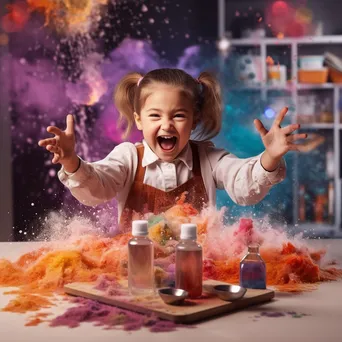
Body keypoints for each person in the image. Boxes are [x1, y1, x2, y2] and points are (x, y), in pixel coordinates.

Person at [38, 68, 307, 231]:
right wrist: (72, 161)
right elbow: (97, 188)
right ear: (139, 119)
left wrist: (270, 157)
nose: (166, 124)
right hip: (135, 270)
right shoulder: (128, 157)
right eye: (155, 116)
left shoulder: (209, 159)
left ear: (195, 119)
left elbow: (244, 186)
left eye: (178, 115)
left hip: (198, 271)